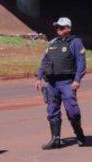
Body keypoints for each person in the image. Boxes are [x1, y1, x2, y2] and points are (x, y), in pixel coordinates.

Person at [36, 17, 88, 149]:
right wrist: (39, 77)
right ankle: (56, 139)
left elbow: (81, 62)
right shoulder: (52, 43)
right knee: (52, 110)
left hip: (67, 82)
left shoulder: (75, 42)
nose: (58, 29)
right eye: (57, 27)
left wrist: (77, 80)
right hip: (52, 83)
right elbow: (45, 61)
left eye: (61, 27)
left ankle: (79, 134)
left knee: (72, 110)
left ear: (68, 28)